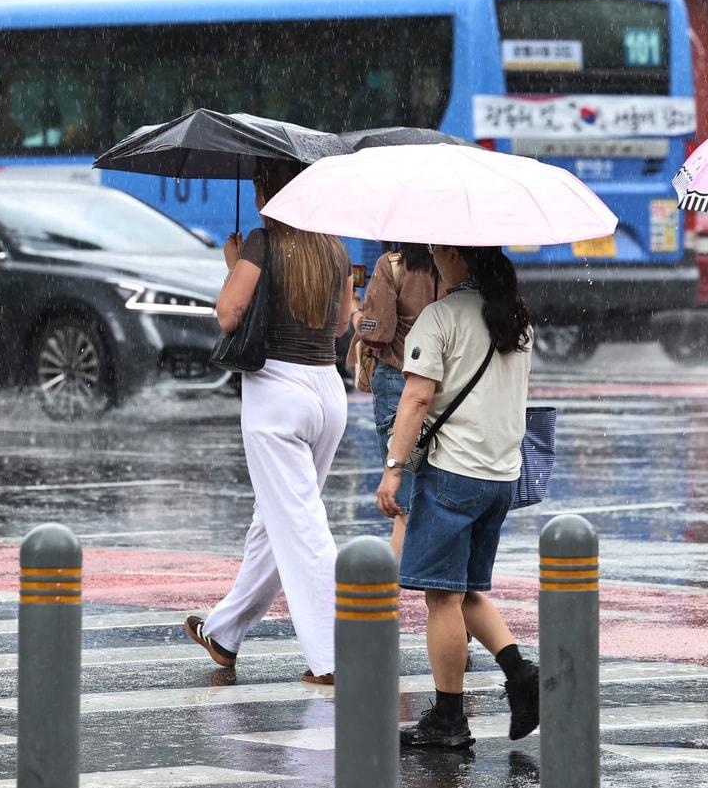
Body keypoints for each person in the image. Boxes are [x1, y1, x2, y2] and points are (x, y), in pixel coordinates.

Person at [185, 160, 354, 686]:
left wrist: (235, 265)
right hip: (328, 390)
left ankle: (333, 655)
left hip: (277, 392)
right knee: (275, 521)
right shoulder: (334, 246)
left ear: (267, 189)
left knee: (300, 527)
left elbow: (229, 314)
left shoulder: (263, 241)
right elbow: (346, 321)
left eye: (260, 183)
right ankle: (226, 631)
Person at [376, 243, 539, 750]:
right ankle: (521, 675)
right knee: (466, 589)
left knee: (441, 595)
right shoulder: (517, 321)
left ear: (452, 254)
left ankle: (449, 718)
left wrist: (393, 469)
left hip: (453, 475)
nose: (430, 256)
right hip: (500, 477)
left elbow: (418, 397)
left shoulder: (439, 317)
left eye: (434, 250)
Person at [352, 242, 444, 555]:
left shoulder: (391, 265)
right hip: (445, 383)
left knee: (403, 504)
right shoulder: (453, 264)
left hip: (398, 380)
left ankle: (391, 596)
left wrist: (356, 314)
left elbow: (376, 333)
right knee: (436, 491)